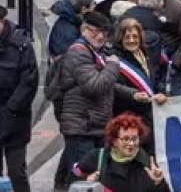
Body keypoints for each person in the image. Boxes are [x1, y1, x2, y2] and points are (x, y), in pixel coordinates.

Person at [53, 11, 121, 191]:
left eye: (104, 33)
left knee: (77, 176)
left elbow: (109, 86)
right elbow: (95, 85)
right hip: (82, 126)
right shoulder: (79, 53)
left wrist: (134, 94)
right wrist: (113, 65)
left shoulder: (96, 52)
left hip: (93, 125)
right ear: (83, 29)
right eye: (94, 31)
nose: (99, 36)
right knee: (83, 181)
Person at [71, 112, 168, 192]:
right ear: (114, 140)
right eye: (125, 139)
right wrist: (86, 182)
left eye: (134, 138)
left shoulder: (148, 164)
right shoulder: (96, 157)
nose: (131, 144)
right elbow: (72, 180)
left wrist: (159, 183)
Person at [110, 17, 167, 151]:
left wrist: (161, 92)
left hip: (149, 114)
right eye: (127, 37)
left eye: (135, 36)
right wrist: (133, 95)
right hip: (130, 117)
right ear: (120, 38)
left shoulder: (145, 53)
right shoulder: (115, 59)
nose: (131, 40)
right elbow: (115, 87)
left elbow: (155, 79)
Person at [0, 4, 39, 192]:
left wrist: (11, 110)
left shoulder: (21, 45)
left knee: (17, 172)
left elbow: (29, 81)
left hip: (15, 120)